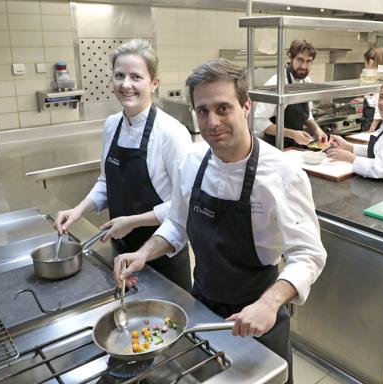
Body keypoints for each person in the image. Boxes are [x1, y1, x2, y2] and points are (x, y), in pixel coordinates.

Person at [113, 59, 327, 384]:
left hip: (259, 315)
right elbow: (176, 224)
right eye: (202, 111)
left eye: (223, 108)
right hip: (203, 307)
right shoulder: (192, 161)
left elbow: (309, 255)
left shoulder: (282, 174)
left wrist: (269, 304)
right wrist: (144, 253)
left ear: (245, 107)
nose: (212, 122)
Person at [54, 39, 193, 291]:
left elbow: (183, 204)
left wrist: (132, 221)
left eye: (136, 77)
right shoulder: (112, 125)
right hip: (121, 249)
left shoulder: (172, 133)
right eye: (119, 75)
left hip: (162, 253)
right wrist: (78, 210)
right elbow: (107, 183)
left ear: (154, 84)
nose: (125, 84)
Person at [253, 39, 328, 148]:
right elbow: (258, 122)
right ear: (290, 58)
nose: (304, 66)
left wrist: (317, 130)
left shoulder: (307, 82)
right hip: (276, 146)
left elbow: (307, 114)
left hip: (296, 146)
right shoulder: (276, 83)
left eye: (308, 61)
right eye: (300, 60)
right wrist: (292, 134)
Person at [360, 47, 383, 132]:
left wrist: (372, 128)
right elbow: (373, 97)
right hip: (369, 117)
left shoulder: (379, 78)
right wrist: (365, 97)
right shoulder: (376, 76)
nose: (365, 65)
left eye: (365, 62)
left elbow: (379, 106)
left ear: (370, 62)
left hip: (372, 121)